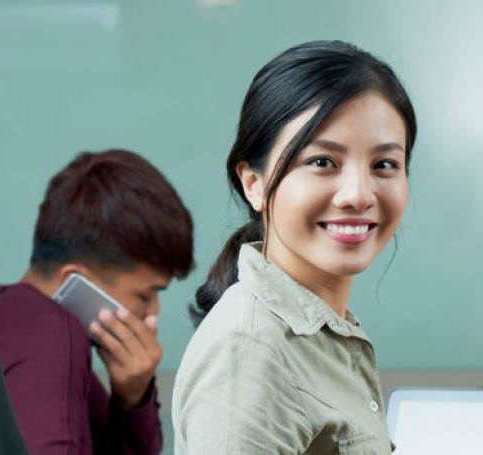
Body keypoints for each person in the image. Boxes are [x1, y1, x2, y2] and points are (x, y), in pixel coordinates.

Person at [171, 40, 416, 454]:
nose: (358, 194)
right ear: (254, 184)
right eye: (322, 162)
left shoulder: (323, 334)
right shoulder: (249, 349)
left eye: (384, 165)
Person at [0, 149, 195, 455]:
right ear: (74, 281)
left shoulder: (4, 313)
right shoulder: (52, 334)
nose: (153, 311)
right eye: (145, 295)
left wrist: (133, 398)